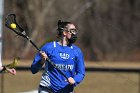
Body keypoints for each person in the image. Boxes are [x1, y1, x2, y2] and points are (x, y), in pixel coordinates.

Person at [31, 20, 85, 93]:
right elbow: (33, 70)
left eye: (75, 31)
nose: (74, 34)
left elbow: (81, 73)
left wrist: (75, 80)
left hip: (66, 90)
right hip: (47, 88)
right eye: (72, 31)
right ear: (65, 32)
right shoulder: (48, 47)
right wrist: (42, 61)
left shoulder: (77, 51)